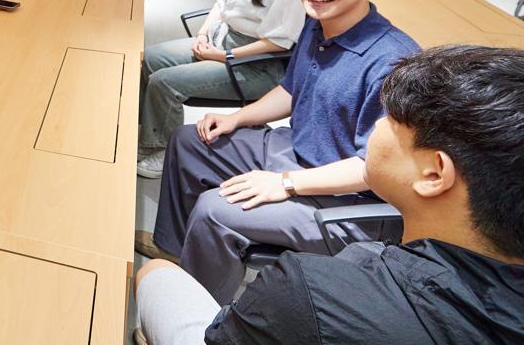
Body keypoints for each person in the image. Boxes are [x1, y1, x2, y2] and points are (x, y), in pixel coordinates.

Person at [134, 44, 524, 345]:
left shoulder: (311, 293)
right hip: (294, 150)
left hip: (339, 199)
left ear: (434, 174)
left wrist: (286, 182)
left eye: (389, 120)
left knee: (157, 273)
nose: (376, 127)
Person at [138, 0, 420, 304]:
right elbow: (290, 89)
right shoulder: (319, 23)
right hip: (299, 151)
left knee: (217, 208)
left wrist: (285, 183)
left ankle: (197, 315)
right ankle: (178, 253)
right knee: (190, 141)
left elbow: (373, 169)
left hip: (349, 199)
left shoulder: (392, 62)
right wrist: (237, 118)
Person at [138, 0, 304, 179]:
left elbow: (280, 42)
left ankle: (162, 150)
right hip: (220, 39)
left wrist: (225, 55)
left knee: (165, 82)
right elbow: (221, 4)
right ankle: (148, 135)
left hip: (255, 63)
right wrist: (203, 35)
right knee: (149, 58)